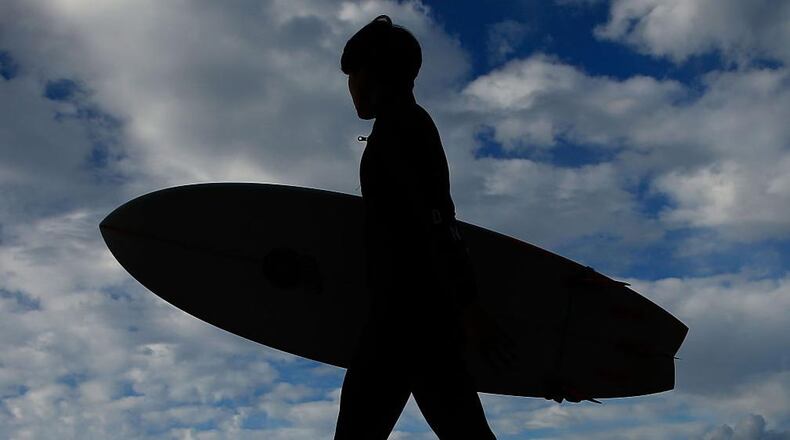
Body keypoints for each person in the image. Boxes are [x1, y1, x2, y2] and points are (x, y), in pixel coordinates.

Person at [333, 15, 517, 440]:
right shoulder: (398, 127)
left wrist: (468, 305)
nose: (350, 89)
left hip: (409, 320)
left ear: (375, 74)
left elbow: (437, 219)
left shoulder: (405, 128)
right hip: (410, 319)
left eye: (353, 76)